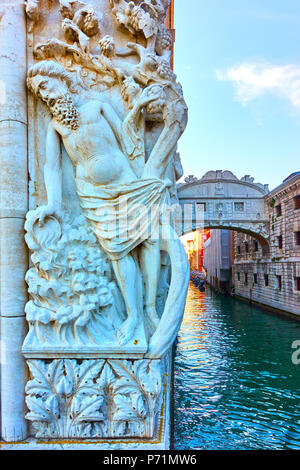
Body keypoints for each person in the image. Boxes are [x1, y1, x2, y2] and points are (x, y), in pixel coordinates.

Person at [27, 60, 188, 347]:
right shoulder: (55, 126)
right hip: (92, 195)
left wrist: (137, 108)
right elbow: (52, 167)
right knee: (117, 252)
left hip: (124, 184)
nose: (45, 94)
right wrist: (53, 203)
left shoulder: (97, 106)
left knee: (147, 241)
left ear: (61, 80)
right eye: (40, 92)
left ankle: (150, 309)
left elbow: (128, 136)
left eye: (46, 85)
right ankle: (133, 316)